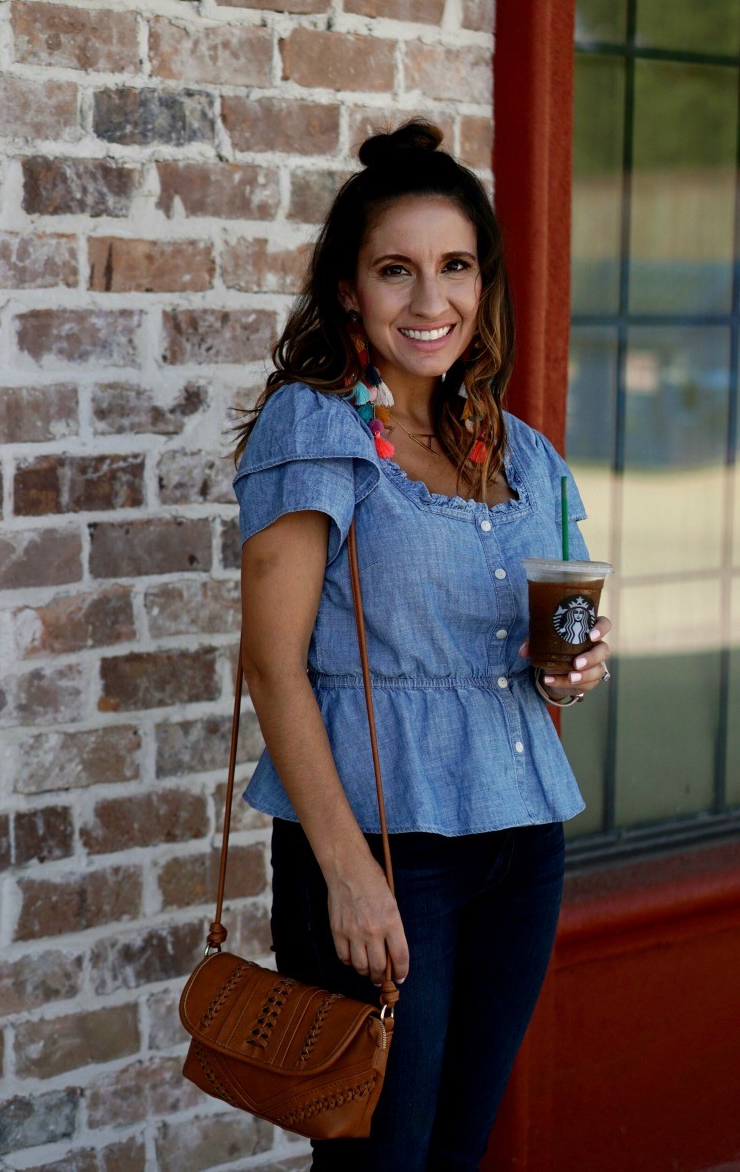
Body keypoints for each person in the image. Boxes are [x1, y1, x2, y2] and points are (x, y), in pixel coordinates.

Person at [232, 120, 612, 1172]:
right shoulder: (317, 428)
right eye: (396, 270)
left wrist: (566, 670)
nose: (429, 300)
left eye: (454, 267)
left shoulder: (519, 450)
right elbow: (271, 665)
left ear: (483, 285)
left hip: (522, 838)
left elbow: (543, 640)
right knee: (377, 1156)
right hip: (384, 849)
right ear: (350, 290)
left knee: (458, 1147)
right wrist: (347, 874)